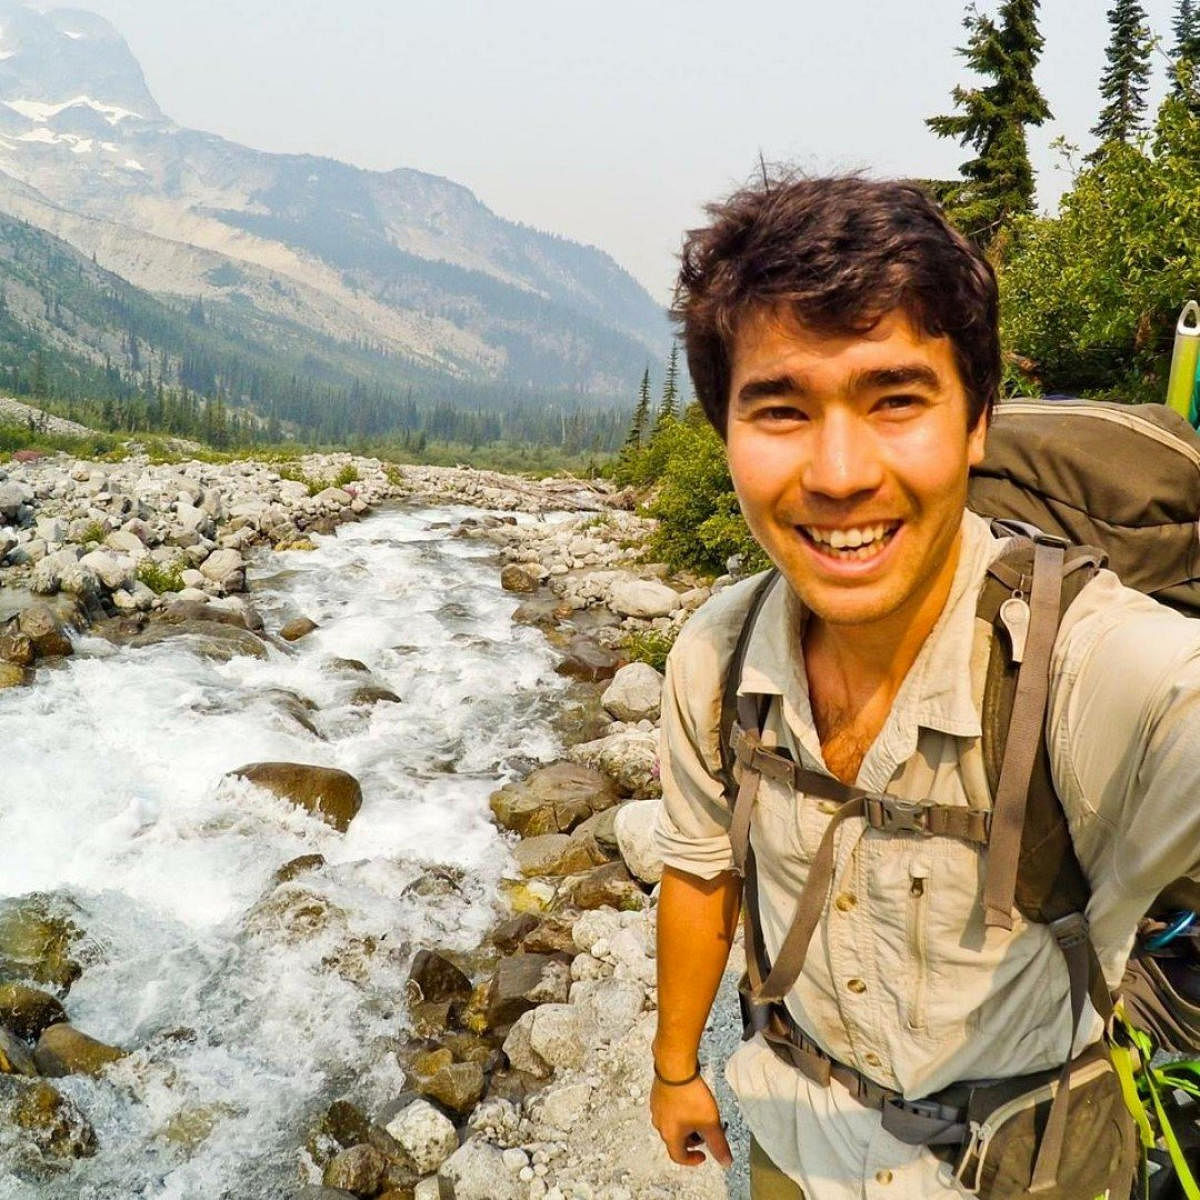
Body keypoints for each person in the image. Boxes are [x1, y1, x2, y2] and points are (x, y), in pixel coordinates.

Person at [648, 173, 1200, 1198]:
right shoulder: (716, 657)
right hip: (790, 1130)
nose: (841, 472)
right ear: (724, 432)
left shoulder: (1083, 662)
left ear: (977, 421)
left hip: (1021, 1169)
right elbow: (700, 876)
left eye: (895, 399)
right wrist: (676, 1069)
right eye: (780, 408)